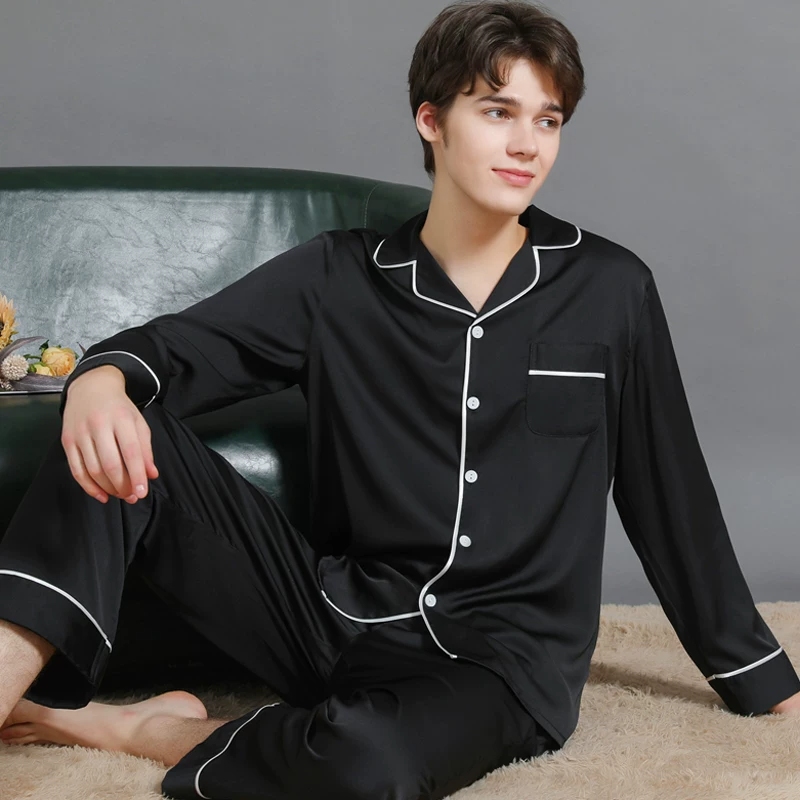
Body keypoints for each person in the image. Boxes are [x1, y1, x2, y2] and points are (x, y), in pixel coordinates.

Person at [1, 0, 799, 797]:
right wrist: (101, 378)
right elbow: (179, 348)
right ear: (432, 120)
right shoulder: (337, 275)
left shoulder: (610, 289)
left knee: (368, 763)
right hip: (334, 615)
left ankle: (136, 729)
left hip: (502, 664)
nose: (528, 144)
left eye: (548, 121)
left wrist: (761, 678)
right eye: (498, 112)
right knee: (107, 424)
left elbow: (669, 493)